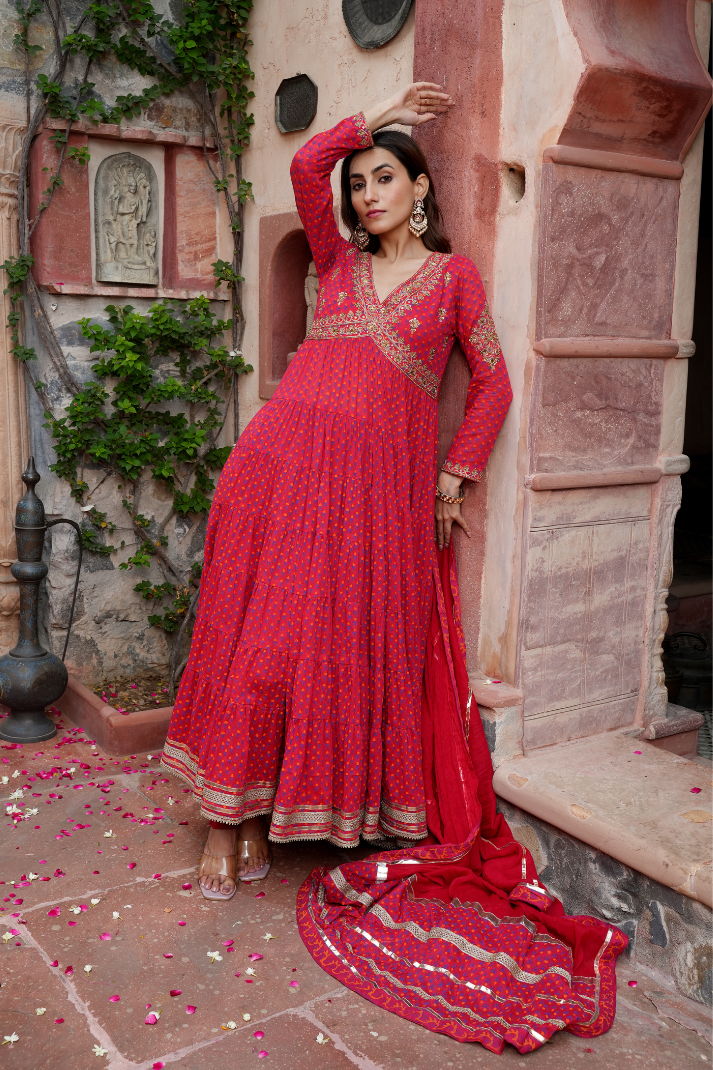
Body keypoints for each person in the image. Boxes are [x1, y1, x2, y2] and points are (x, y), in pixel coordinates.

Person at [160, 83, 513, 899]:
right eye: (359, 184)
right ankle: (229, 816)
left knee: (323, 652)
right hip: (281, 473)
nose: (366, 194)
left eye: (384, 177)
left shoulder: (454, 280)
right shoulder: (336, 261)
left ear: (419, 188)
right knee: (262, 647)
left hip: (375, 499)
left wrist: (454, 474)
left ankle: (275, 811)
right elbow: (305, 160)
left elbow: (491, 383)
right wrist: (380, 111)